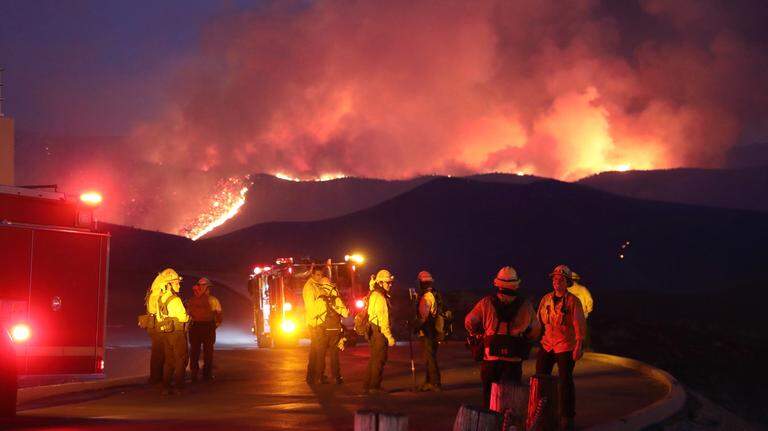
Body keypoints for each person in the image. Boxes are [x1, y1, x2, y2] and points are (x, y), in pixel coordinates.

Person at [465, 266, 539, 408]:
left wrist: (479, 333)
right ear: (516, 284)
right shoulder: (526, 305)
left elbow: (469, 321)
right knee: (510, 402)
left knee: (489, 399)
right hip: (513, 360)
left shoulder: (486, 302)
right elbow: (535, 330)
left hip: (490, 359)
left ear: (497, 283)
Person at [537, 265, 587, 431]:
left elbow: (579, 324)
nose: (556, 282)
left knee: (565, 381)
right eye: (554, 279)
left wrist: (579, 345)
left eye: (560, 280)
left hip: (565, 345)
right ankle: (539, 413)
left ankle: (567, 417)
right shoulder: (546, 299)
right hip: (547, 344)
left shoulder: (573, 301)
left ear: (567, 283)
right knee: (540, 379)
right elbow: (539, 321)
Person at [155, 268, 189, 395]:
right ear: (168, 285)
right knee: (181, 359)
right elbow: (183, 317)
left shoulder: (160, 299)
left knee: (169, 361)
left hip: (166, 333)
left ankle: (166, 387)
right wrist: (188, 316)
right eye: (175, 283)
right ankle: (179, 387)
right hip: (177, 333)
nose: (178, 285)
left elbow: (159, 318)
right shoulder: (175, 300)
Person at [363, 269, 396, 394]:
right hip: (379, 332)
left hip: (373, 330)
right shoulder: (380, 298)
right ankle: (374, 387)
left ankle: (368, 385)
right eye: (388, 283)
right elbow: (384, 320)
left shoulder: (374, 294)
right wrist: (389, 337)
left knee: (374, 359)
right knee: (379, 359)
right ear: (381, 283)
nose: (390, 285)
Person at [186, 277, 222, 382]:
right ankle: (207, 375)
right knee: (208, 352)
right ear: (207, 288)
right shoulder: (213, 300)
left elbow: (188, 314)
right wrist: (215, 325)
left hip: (195, 328)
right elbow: (219, 315)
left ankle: (194, 374)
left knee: (194, 351)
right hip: (208, 327)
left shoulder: (191, 300)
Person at [315, 277, 349, 384]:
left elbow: (314, 315)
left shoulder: (319, 299)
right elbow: (346, 314)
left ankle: (320, 377)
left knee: (321, 354)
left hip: (322, 329)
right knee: (334, 354)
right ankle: (336, 377)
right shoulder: (336, 298)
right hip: (334, 329)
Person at [415, 270, 441, 391]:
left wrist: (415, 326)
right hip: (432, 331)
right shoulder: (432, 294)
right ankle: (429, 382)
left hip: (428, 332)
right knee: (429, 358)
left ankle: (435, 383)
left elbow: (423, 317)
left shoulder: (427, 297)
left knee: (430, 358)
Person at [303, 265, 327, 384]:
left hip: (316, 322)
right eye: (317, 275)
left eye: (321, 275)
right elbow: (311, 306)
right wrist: (317, 319)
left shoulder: (316, 286)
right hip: (315, 323)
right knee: (319, 350)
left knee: (315, 351)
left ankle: (311, 376)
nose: (320, 277)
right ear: (312, 275)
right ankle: (318, 376)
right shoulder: (310, 288)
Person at [144, 274, 166, 384]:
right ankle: (156, 378)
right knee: (159, 353)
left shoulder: (153, 293)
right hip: (158, 327)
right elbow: (158, 312)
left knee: (157, 353)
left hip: (154, 327)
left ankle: (155, 377)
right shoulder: (158, 295)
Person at [568, 271, 594, 349]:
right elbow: (590, 302)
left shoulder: (565, 291)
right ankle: (583, 349)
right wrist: (587, 313)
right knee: (581, 335)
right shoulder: (583, 289)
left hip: (568, 317)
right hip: (581, 317)